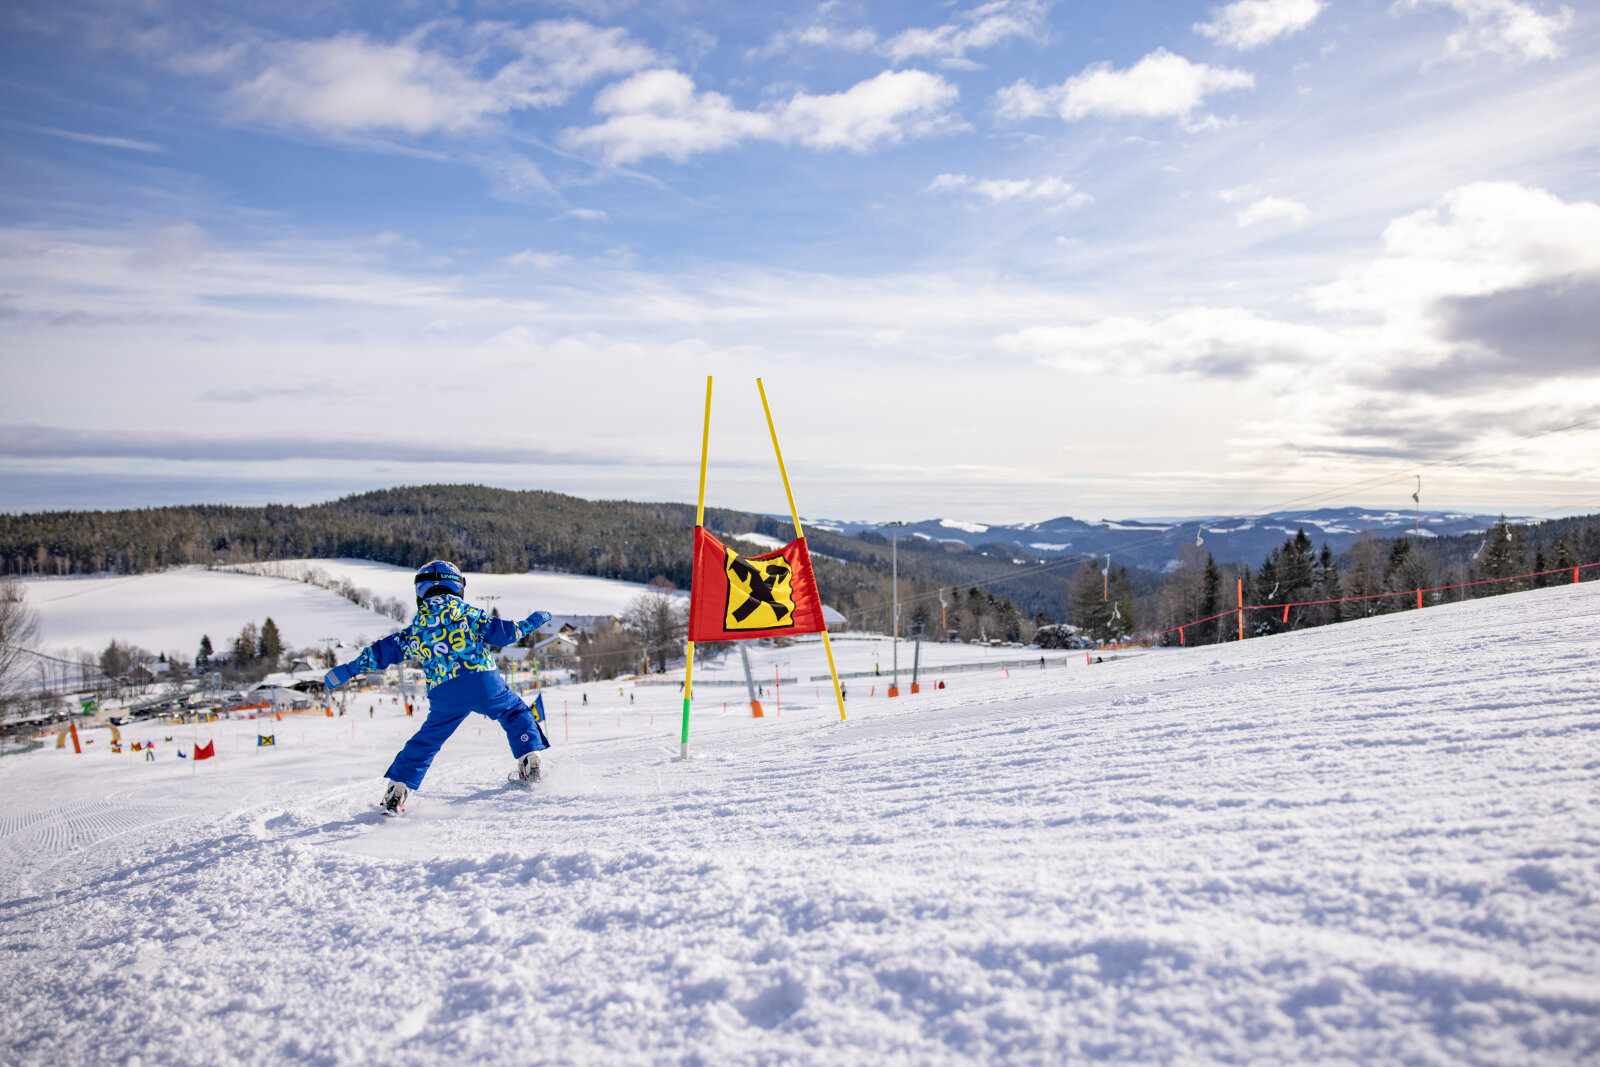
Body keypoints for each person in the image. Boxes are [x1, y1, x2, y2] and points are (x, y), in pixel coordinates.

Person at [324, 560, 553, 815]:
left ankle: (398, 789)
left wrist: (349, 669)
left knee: (428, 740)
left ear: (420, 592)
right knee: (514, 712)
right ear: (458, 587)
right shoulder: (470, 615)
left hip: (445, 692)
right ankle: (530, 758)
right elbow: (506, 634)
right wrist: (532, 621)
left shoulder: (416, 629)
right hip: (483, 681)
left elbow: (382, 652)